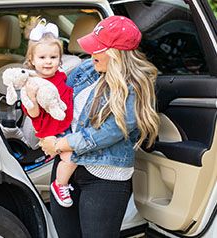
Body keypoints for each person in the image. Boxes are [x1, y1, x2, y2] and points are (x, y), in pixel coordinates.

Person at [40, 15, 160, 238]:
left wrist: (61, 143)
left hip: (104, 176)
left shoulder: (136, 86)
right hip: (67, 166)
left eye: (98, 49)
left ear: (117, 54)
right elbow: (59, 101)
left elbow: (110, 132)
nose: (91, 53)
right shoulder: (86, 69)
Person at [22, 19, 79, 207]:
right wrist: (31, 97)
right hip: (51, 130)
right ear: (31, 60)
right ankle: (60, 184)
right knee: (72, 158)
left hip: (64, 124)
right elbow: (34, 114)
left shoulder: (61, 75)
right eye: (42, 58)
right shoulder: (32, 83)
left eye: (53, 58)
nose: (48, 62)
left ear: (60, 60)